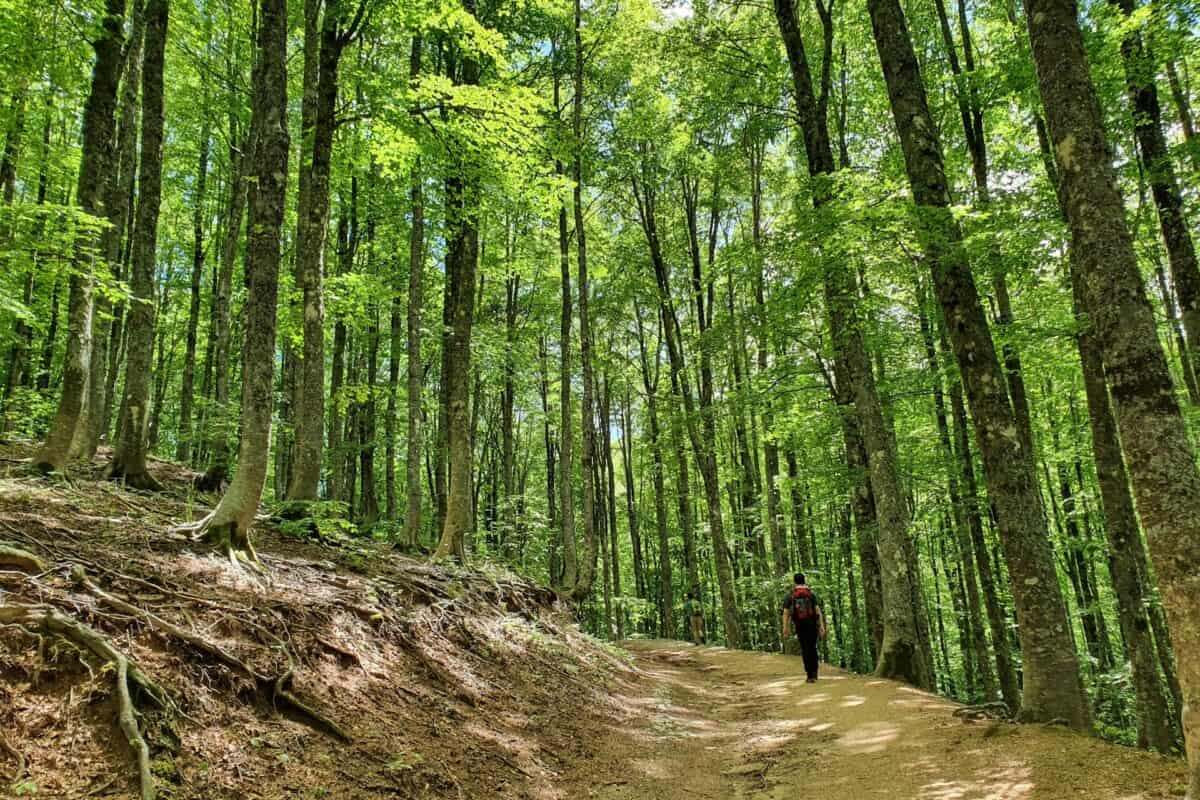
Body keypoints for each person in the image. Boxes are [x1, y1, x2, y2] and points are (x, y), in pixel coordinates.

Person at [782, 573, 826, 682]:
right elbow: (817, 611)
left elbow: (786, 612)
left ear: (794, 582)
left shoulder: (790, 595)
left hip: (799, 625)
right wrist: (821, 626)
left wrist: (785, 628)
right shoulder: (811, 594)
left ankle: (809, 675)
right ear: (804, 580)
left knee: (805, 648)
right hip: (812, 624)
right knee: (812, 647)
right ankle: (815, 673)